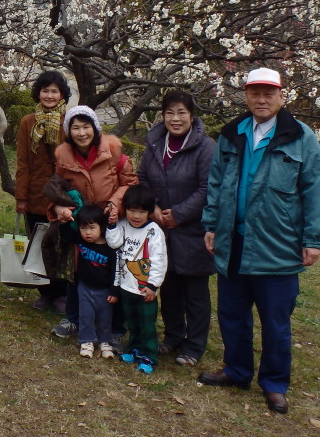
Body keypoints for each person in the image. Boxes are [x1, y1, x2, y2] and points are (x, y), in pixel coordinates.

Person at [199, 67, 320, 415]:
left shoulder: (301, 137)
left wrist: (313, 239)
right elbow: (216, 182)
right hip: (233, 241)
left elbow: (315, 190)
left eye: (269, 93)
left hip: (278, 244)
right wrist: (211, 224)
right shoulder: (232, 134)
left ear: (281, 96)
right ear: (245, 95)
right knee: (231, 314)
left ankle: (274, 384)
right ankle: (237, 371)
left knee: (275, 321)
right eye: (255, 92)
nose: (261, 99)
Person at [137, 89, 216, 367]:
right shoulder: (156, 144)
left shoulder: (206, 147)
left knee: (194, 291)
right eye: (170, 112)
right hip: (161, 228)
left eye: (181, 112)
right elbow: (143, 177)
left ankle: (194, 346)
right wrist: (154, 207)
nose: (175, 118)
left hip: (193, 229)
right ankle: (172, 336)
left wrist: (179, 214)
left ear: (192, 115)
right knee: (167, 285)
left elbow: (208, 188)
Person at [44, 105, 136, 339]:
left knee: (115, 272)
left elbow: (130, 184)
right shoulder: (63, 157)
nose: (81, 133)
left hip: (110, 222)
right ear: (69, 131)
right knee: (80, 270)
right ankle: (74, 318)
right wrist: (61, 208)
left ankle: (115, 327)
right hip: (82, 224)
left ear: (95, 128)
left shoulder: (114, 153)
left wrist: (115, 204)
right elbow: (57, 189)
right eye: (76, 128)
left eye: (86, 127)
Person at [14, 70, 70, 312]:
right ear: (38, 93)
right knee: (39, 243)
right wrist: (21, 196)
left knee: (62, 243)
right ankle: (45, 292)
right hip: (36, 192)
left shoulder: (69, 121)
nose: (49, 95)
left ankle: (62, 293)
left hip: (62, 193)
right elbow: (23, 161)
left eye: (54, 91)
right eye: (45, 90)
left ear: (62, 94)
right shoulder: (28, 121)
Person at [106, 184, 168, 374]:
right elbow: (114, 242)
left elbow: (159, 260)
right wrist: (112, 225)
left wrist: (153, 285)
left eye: (141, 212)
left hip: (144, 290)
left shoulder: (154, 231)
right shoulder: (124, 224)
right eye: (132, 210)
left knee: (146, 325)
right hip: (126, 286)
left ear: (149, 212)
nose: (136, 216)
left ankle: (149, 355)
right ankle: (134, 349)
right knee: (132, 323)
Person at [73, 205, 119, 359]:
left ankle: (105, 341)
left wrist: (114, 290)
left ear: (102, 227)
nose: (87, 232)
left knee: (105, 317)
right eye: (83, 228)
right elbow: (66, 230)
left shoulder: (110, 248)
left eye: (92, 227)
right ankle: (86, 341)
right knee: (86, 315)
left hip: (105, 290)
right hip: (85, 287)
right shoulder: (82, 242)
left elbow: (115, 271)